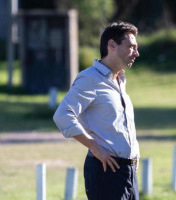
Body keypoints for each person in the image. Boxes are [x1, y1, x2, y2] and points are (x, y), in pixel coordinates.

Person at [53, 21, 140, 200]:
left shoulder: (120, 80)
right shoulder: (89, 78)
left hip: (128, 172)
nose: (136, 53)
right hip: (106, 171)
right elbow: (63, 115)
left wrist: (134, 151)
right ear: (111, 45)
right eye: (131, 47)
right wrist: (94, 147)